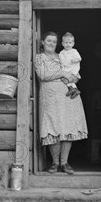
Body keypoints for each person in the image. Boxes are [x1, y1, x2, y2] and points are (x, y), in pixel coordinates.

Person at [34, 31, 88, 175]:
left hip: (68, 97)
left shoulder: (62, 55)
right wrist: (63, 74)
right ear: (42, 42)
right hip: (50, 99)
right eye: (49, 41)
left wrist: (75, 77)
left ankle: (64, 163)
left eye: (54, 41)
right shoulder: (39, 58)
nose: (51, 43)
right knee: (52, 127)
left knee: (67, 127)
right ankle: (55, 163)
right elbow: (43, 75)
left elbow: (74, 71)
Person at [59, 32, 82, 99]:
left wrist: (75, 60)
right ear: (62, 43)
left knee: (69, 79)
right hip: (66, 69)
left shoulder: (73, 51)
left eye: (70, 43)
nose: (68, 44)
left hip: (72, 69)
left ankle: (73, 89)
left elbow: (79, 58)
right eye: (66, 43)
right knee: (64, 79)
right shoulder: (62, 52)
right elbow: (60, 59)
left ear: (73, 43)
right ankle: (74, 89)